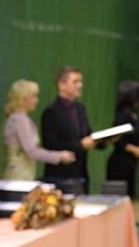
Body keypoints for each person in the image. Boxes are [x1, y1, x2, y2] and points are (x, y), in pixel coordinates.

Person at [40, 66, 108, 194]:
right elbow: (50, 145)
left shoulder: (80, 108)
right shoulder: (51, 111)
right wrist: (80, 145)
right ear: (62, 85)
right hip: (61, 177)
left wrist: (104, 141)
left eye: (80, 81)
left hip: (81, 174)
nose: (80, 85)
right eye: (75, 81)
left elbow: (87, 135)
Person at [2, 79, 74, 180]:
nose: (37, 100)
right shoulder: (20, 120)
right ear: (23, 99)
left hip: (22, 174)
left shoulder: (18, 118)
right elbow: (31, 151)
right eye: (33, 96)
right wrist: (59, 156)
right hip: (19, 177)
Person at [105, 80, 139, 197]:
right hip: (120, 164)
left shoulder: (133, 113)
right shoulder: (122, 115)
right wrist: (135, 149)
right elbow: (117, 140)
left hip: (130, 162)